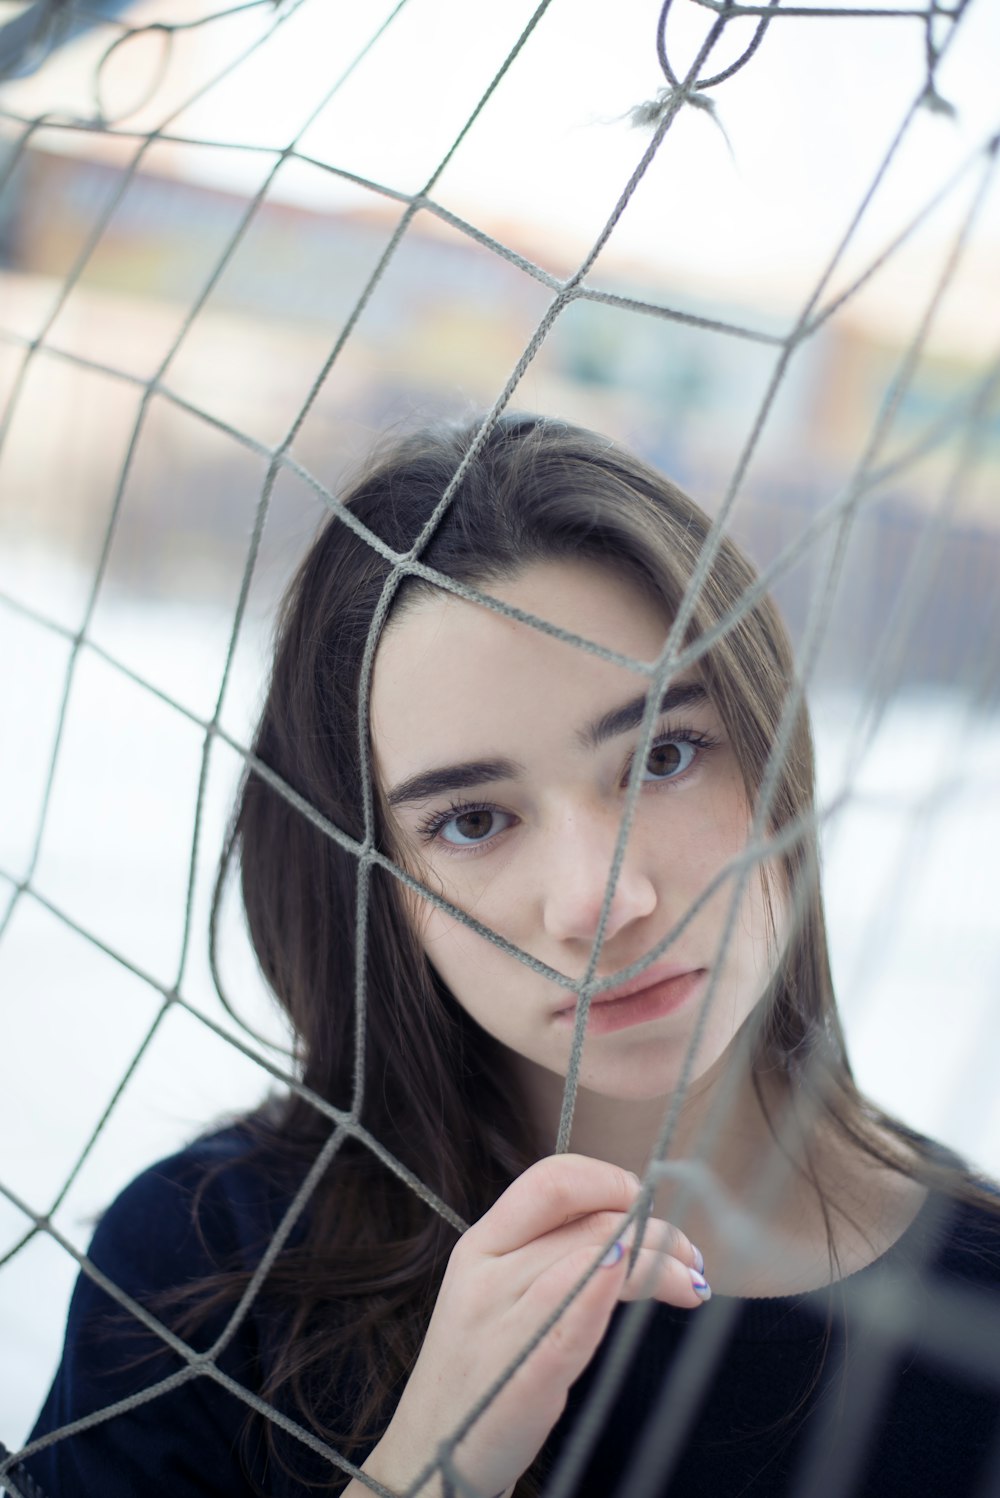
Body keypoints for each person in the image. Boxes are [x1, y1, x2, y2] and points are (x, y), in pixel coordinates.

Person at [16, 415, 1000, 1498]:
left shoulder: (980, 1302)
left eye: (663, 757)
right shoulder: (206, 1269)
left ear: (777, 753)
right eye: (474, 822)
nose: (602, 900)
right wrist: (425, 1473)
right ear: (375, 883)